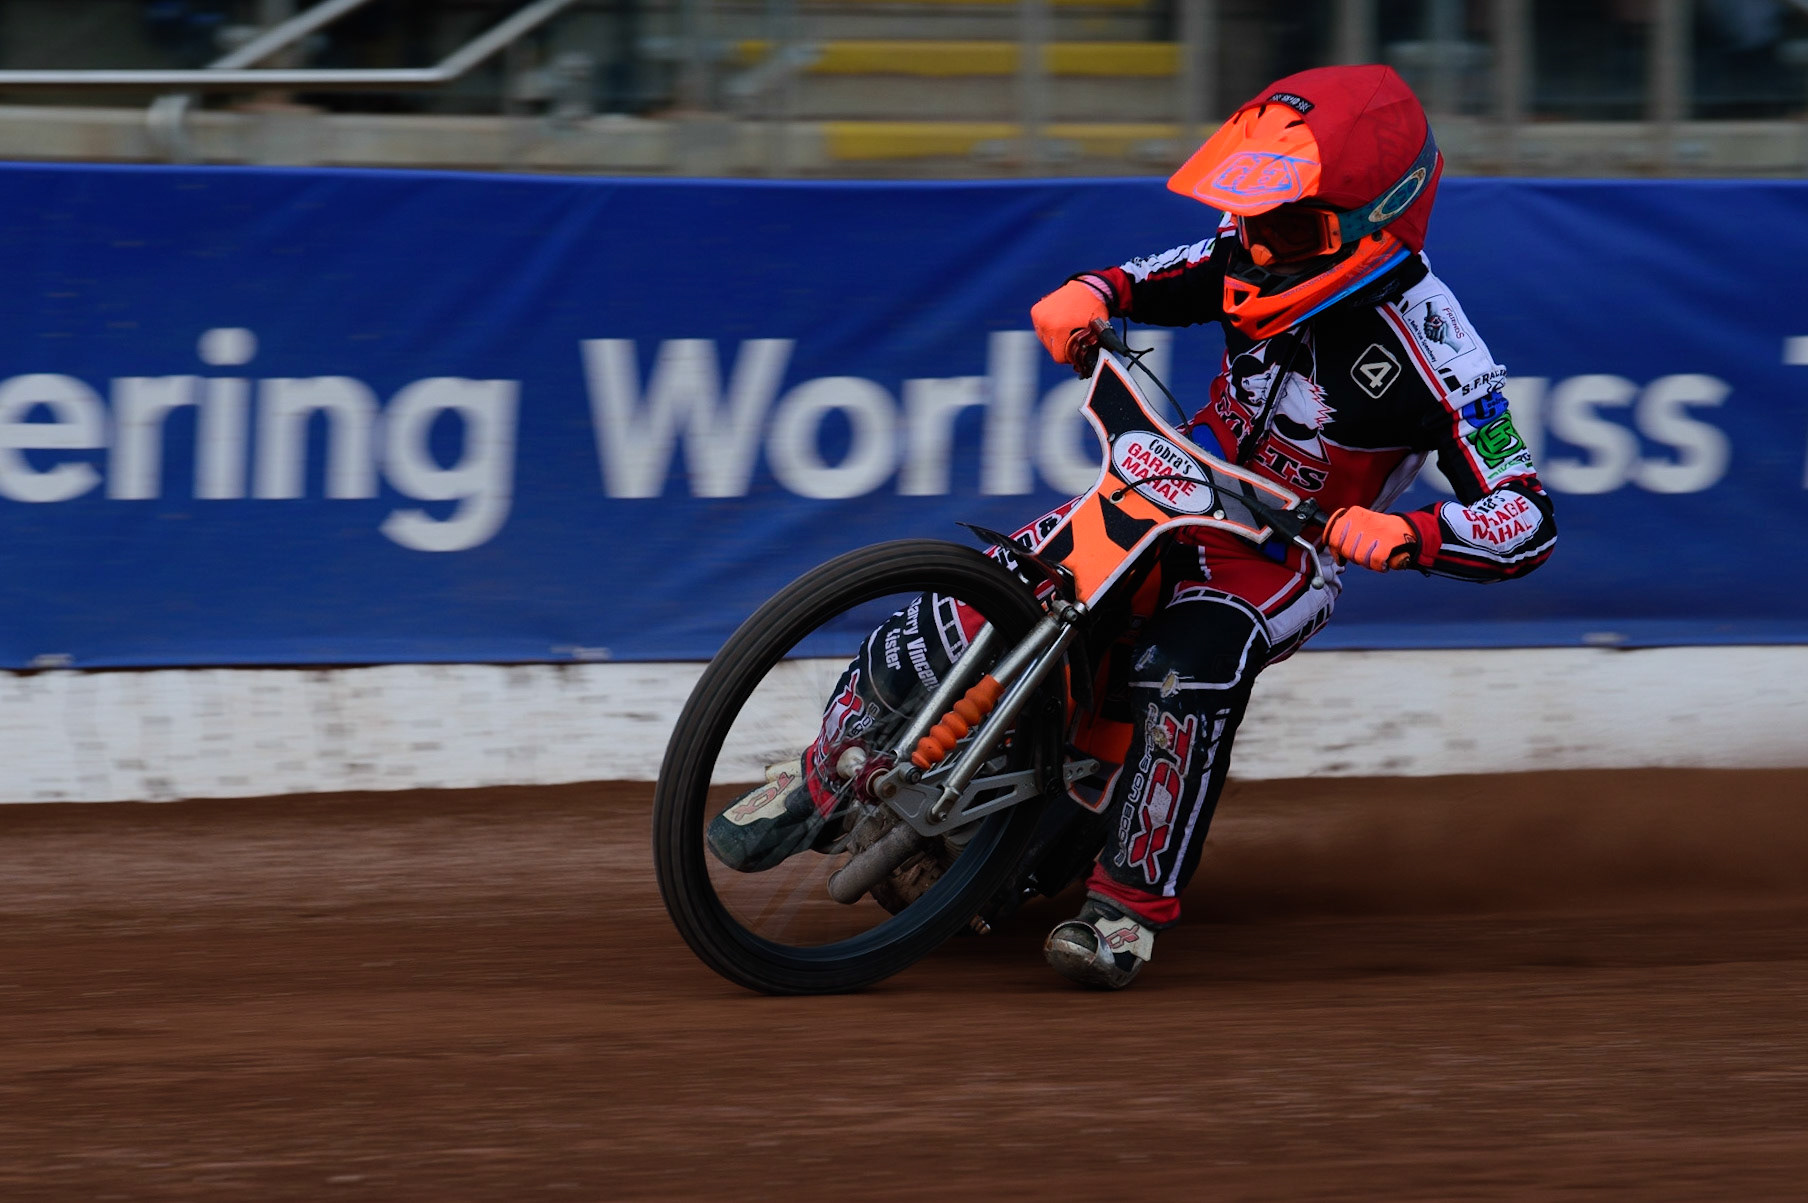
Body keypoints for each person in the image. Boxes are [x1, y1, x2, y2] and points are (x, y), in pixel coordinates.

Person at [707, 64, 1556, 989]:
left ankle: (1125, 911)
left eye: (1286, 229)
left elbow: (1527, 514)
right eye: (1252, 221)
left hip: (1286, 549)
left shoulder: (1436, 347)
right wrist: (1092, 293)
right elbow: (1156, 274)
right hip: (1178, 481)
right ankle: (825, 768)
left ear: (1375, 221)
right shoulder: (1248, 243)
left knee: (1192, 658)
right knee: (1005, 579)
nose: (1256, 248)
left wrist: (1411, 535)